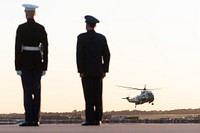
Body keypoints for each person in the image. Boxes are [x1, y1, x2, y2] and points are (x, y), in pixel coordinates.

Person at [15, 4, 48, 126]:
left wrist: (17, 66)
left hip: (25, 62)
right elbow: (46, 48)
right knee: (37, 91)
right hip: (37, 62)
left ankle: (29, 118)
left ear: (27, 13)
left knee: (28, 91)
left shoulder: (21, 28)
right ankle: (36, 118)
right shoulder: (41, 28)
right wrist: (45, 65)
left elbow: (17, 48)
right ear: (34, 13)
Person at [76, 15, 110, 126]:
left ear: (87, 25)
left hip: (86, 71)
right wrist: (105, 69)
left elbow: (79, 55)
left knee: (88, 95)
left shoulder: (81, 37)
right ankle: (98, 119)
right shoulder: (101, 38)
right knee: (98, 95)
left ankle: (90, 119)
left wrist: (80, 70)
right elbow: (107, 55)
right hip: (98, 70)